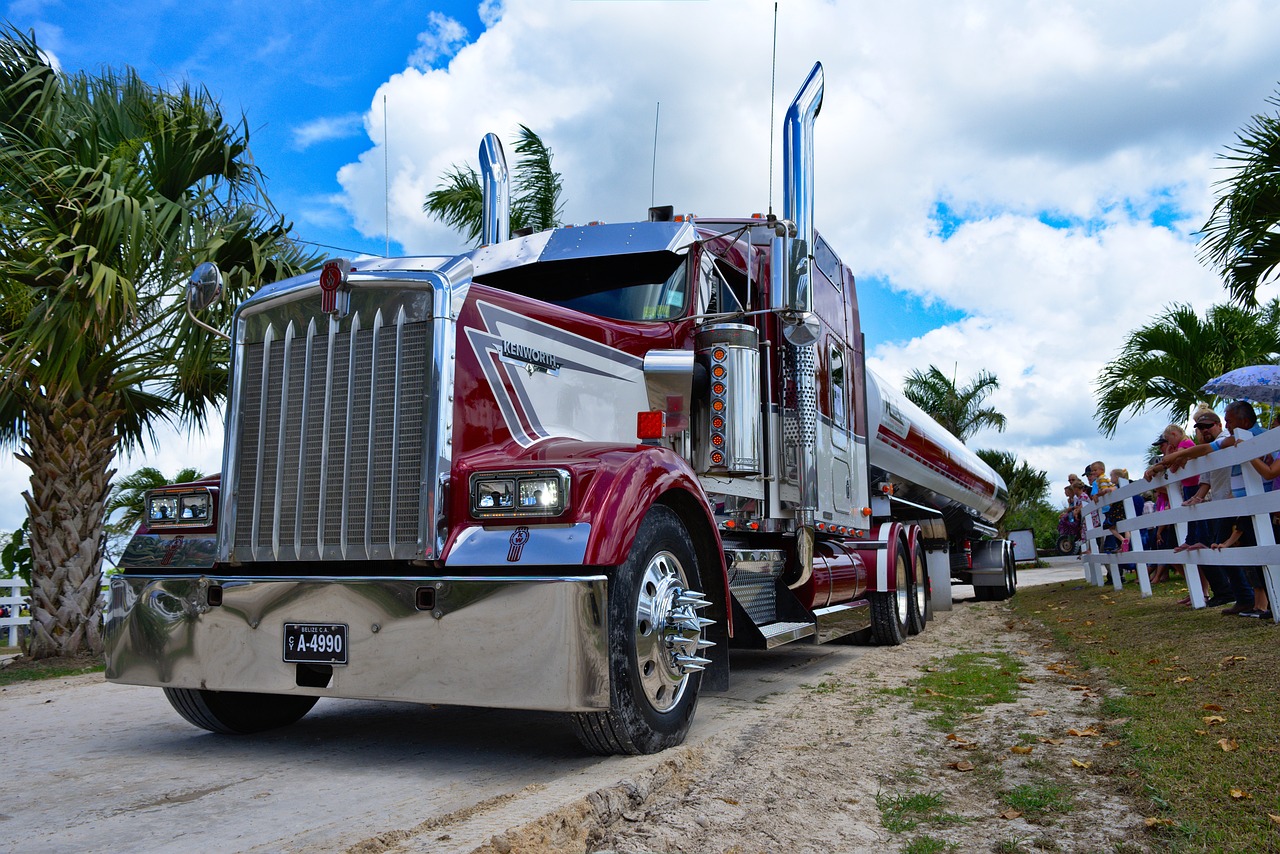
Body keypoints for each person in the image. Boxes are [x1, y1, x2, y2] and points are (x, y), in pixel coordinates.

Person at [1163, 401, 1269, 617]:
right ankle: (1252, 600)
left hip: (1254, 502)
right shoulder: (1232, 439)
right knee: (1248, 554)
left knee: (1257, 552)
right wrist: (1177, 456)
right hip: (1238, 503)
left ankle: (1260, 601)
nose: (1228, 424)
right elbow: (1206, 451)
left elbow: (1268, 471)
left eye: (1229, 420)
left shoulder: (1259, 436)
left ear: (1244, 421)